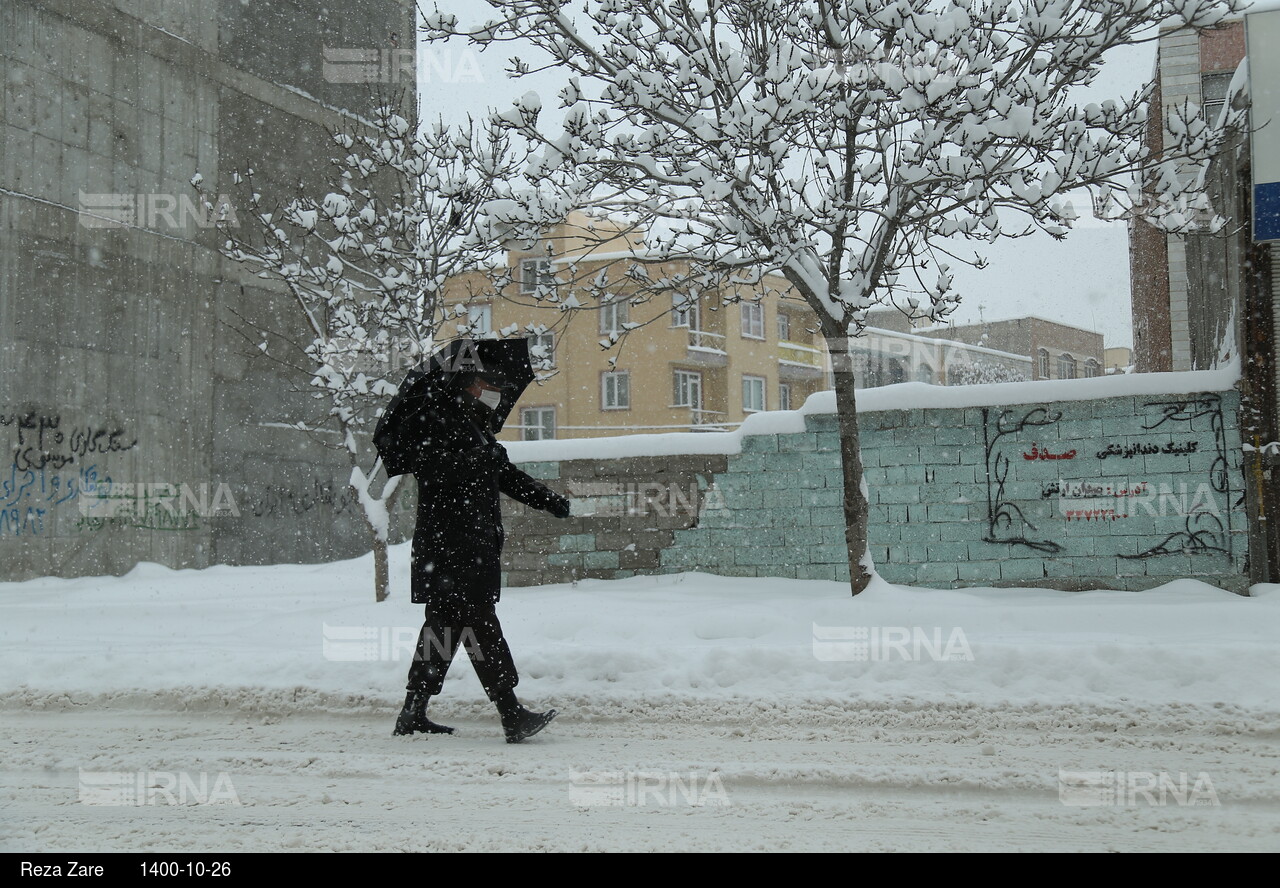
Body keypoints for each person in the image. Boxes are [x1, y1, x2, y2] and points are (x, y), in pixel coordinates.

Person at [392, 367, 572, 743]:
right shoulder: (436, 422)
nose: (492, 389)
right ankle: (510, 713)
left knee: (442, 629)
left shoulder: (475, 426)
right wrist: (479, 461)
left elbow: (505, 475)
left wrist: (549, 500)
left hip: (467, 547)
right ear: (466, 385)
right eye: (485, 383)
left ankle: (413, 712)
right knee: (480, 627)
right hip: (451, 550)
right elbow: (431, 470)